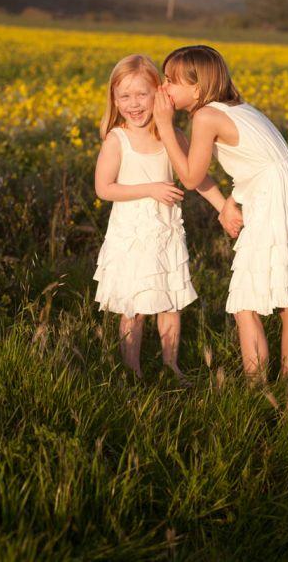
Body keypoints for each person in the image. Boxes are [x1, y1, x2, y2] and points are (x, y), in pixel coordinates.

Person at [153, 45, 288, 407]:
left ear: (198, 87)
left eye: (171, 81)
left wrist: (163, 124)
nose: (165, 89)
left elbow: (189, 177)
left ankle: (256, 392)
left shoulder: (205, 117)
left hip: (271, 207)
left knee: (245, 306)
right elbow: (262, 162)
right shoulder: (243, 108)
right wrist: (232, 202)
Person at [93, 53, 243, 383]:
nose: (133, 104)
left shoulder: (171, 134)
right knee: (134, 307)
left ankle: (171, 365)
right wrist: (151, 189)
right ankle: (132, 371)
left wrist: (223, 207)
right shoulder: (117, 140)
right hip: (132, 235)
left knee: (170, 302)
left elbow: (197, 177)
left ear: (159, 94)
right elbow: (104, 188)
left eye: (141, 95)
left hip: (166, 234)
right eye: (124, 96)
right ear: (115, 100)